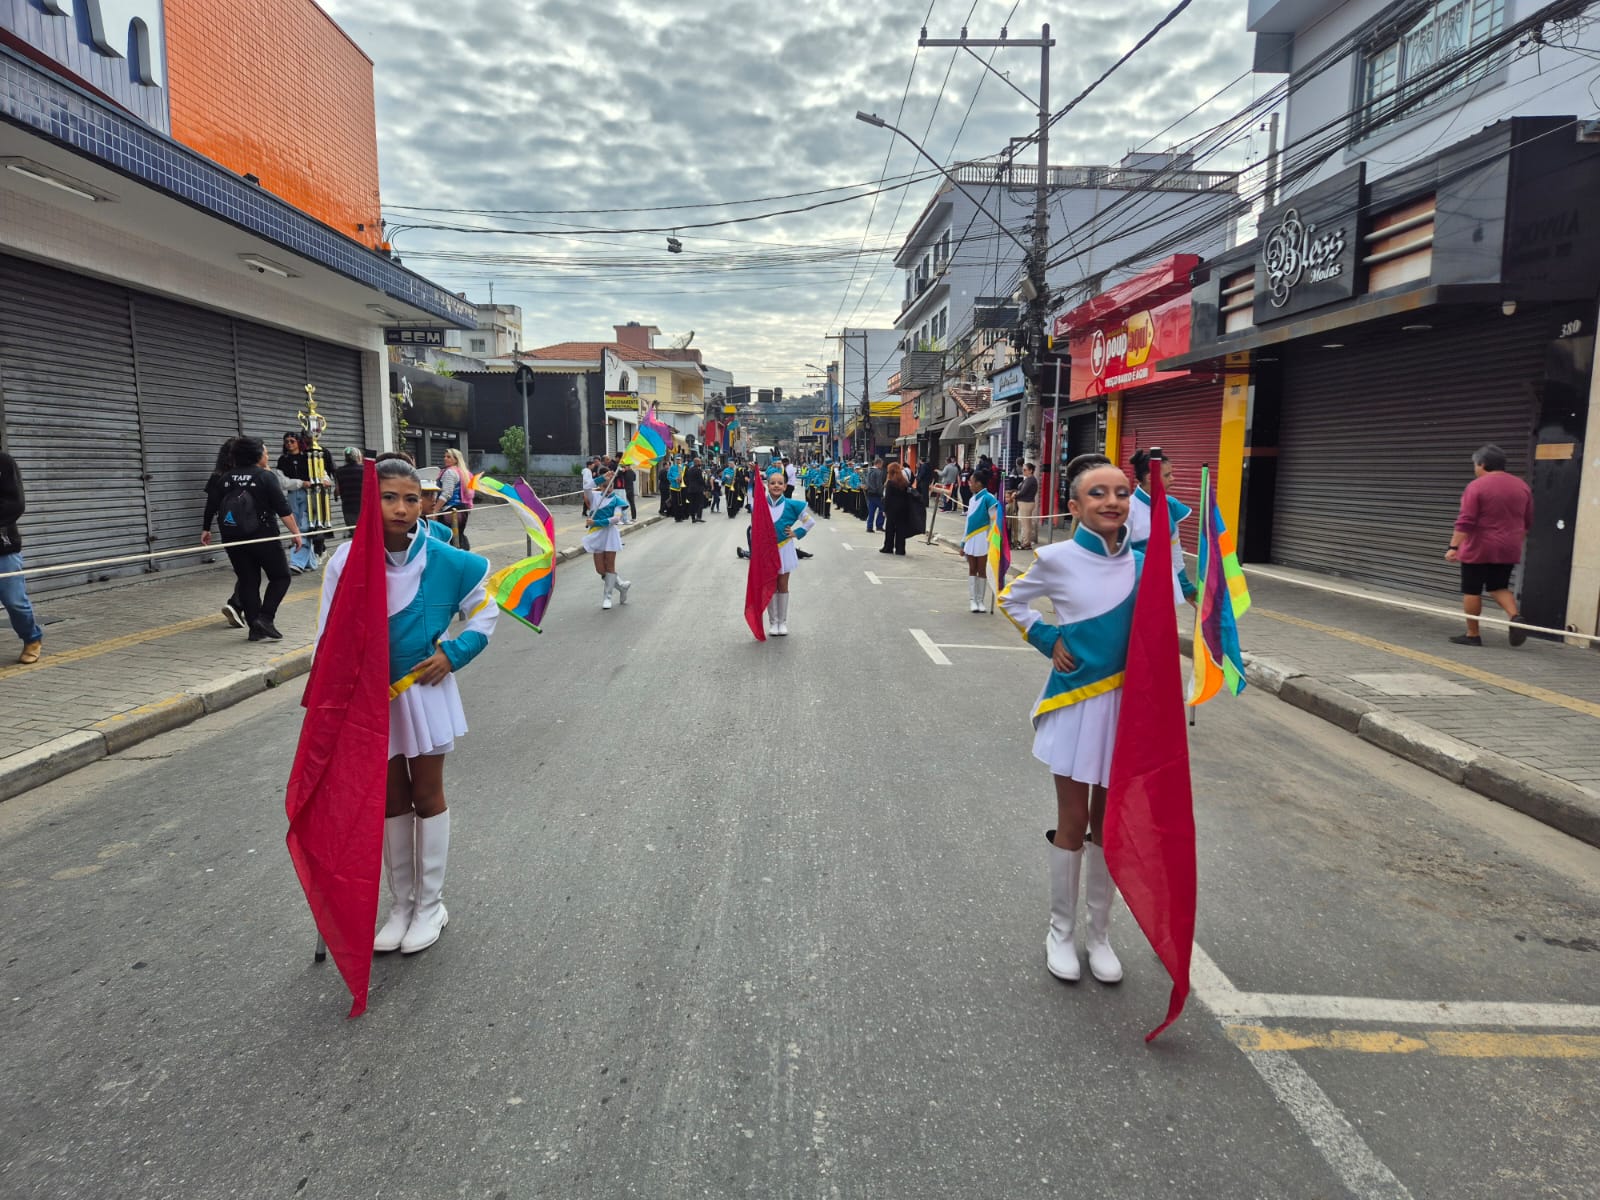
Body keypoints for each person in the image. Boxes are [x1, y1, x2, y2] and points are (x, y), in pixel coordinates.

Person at [318, 456, 496, 955]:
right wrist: (331, 702)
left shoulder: (445, 556)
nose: (401, 508)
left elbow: (484, 614)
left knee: (427, 795)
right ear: (370, 502)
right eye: (389, 498)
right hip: (371, 699)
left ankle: (430, 905)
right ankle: (400, 905)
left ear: (427, 502)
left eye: (411, 498)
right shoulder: (345, 561)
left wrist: (452, 653)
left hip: (424, 690)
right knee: (391, 799)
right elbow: (327, 638)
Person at [998, 457, 1139, 986]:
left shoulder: (1144, 564)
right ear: (1075, 506)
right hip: (1078, 703)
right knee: (1075, 821)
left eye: (1121, 492)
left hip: (1127, 708)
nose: (1111, 502)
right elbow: (1013, 597)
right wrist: (1048, 639)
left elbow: (1177, 606)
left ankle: (1099, 935)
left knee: (1110, 825)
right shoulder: (1055, 557)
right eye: (1098, 493)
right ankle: (1061, 932)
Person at [205, 437, 303, 641]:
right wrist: (295, 533)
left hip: (232, 538)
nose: (267, 455)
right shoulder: (265, 477)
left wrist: (205, 528)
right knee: (281, 577)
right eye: (265, 452)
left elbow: (213, 504)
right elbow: (283, 509)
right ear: (256, 455)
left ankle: (254, 628)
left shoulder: (225, 478)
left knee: (248, 580)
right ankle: (265, 618)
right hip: (264, 536)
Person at [1447, 443, 1535, 646]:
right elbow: (1527, 521)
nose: (1474, 468)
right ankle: (1515, 617)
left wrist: (1453, 547)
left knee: (1472, 589)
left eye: (1475, 464)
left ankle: (1472, 634)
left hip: (1479, 546)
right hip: (1509, 546)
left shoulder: (1477, 486)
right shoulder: (1522, 486)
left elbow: (1466, 520)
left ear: (1482, 463)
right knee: (1498, 586)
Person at [1127, 449, 1197, 607]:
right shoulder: (1128, 509)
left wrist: (1185, 587)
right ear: (1150, 477)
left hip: (1165, 586)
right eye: (1167, 475)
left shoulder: (1170, 505)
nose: (1173, 479)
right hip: (1135, 589)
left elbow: (1175, 551)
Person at [0, 443, 43, 664]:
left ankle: (31, 638)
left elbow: (15, 504)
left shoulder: (4, 462)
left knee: (14, 601)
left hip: (2, 548)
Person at [759, 467, 815, 636]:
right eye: (773, 483)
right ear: (767, 485)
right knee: (770, 584)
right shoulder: (761, 505)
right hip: (767, 552)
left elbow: (809, 522)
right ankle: (773, 622)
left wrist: (797, 533)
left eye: (780, 483)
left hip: (784, 549)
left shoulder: (792, 505)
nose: (776, 486)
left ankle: (782, 622)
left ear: (785, 486)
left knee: (782, 585)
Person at [202, 436, 249, 629]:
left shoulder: (217, 476)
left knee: (244, 569)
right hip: (251, 527)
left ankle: (241, 606)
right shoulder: (249, 475)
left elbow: (210, 505)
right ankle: (237, 604)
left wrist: (205, 528)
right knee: (250, 571)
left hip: (227, 528)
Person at [582, 467, 633, 609]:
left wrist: (596, 522)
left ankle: (608, 597)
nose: (608, 489)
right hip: (596, 535)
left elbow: (616, 519)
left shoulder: (617, 500)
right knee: (600, 569)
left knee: (610, 566)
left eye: (611, 486)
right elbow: (586, 486)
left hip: (610, 534)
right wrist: (601, 478)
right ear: (600, 486)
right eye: (605, 486)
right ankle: (621, 585)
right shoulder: (594, 497)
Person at [276, 432, 318, 574]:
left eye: (292, 441)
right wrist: (300, 483)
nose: (289, 444)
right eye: (286, 441)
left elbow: (320, 473)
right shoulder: (283, 459)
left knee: (305, 525)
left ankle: (297, 562)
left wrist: (321, 481)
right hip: (293, 495)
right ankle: (310, 562)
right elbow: (282, 482)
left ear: (298, 442)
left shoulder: (308, 457)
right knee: (296, 525)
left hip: (310, 494)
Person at [437, 447, 473, 550]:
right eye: (445, 456)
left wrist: (435, 510)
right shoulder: (465, 473)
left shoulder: (449, 472)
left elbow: (446, 494)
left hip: (449, 510)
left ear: (456, 459)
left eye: (448, 457)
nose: (445, 458)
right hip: (462, 510)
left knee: (447, 539)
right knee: (459, 536)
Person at [879, 462, 914, 556]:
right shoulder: (905, 482)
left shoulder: (890, 483)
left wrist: (885, 510)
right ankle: (900, 549)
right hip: (903, 509)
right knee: (901, 529)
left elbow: (888, 498)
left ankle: (888, 547)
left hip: (892, 509)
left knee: (890, 529)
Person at [334, 447, 366, 535]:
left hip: (348, 508)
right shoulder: (365, 470)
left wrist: (335, 495)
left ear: (345, 458)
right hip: (364, 507)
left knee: (355, 534)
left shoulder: (339, 471)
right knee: (366, 533)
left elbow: (338, 491)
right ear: (359, 457)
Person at [1013, 461, 1040, 550]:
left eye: (1025, 470)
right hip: (1025, 502)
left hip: (1026, 503)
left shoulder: (1031, 480)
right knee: (1025, 523)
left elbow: (1023, 491)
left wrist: (1016, 495)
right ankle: (1025, 541)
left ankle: (1026, 542)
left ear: (1030, 471)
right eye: (1023, 470)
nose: (1023, 471)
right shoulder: (1028, 479)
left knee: (1025, 524)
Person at [865, 457, 886, 533]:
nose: (882, 466)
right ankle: (879, 525)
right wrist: (881, 493)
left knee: (871, 511)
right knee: (883, 508)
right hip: (876, 494)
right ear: (878, 463)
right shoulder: (878, 472)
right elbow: (879, 484)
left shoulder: (869, 471)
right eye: (881, 464)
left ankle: (869, 527)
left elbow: (866, 481)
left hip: (870, 493)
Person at [684, 456, 708, 523]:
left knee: (692, 504)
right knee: (700, 503)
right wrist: (706, 487)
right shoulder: (698, 470)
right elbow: (701, 480)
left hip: (690, 490)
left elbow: (686, 480)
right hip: (698, 489)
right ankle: (699, 517)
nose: (701, 463)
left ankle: (693, 518)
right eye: (700, 461)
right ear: (696, 462)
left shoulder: (689, 470)